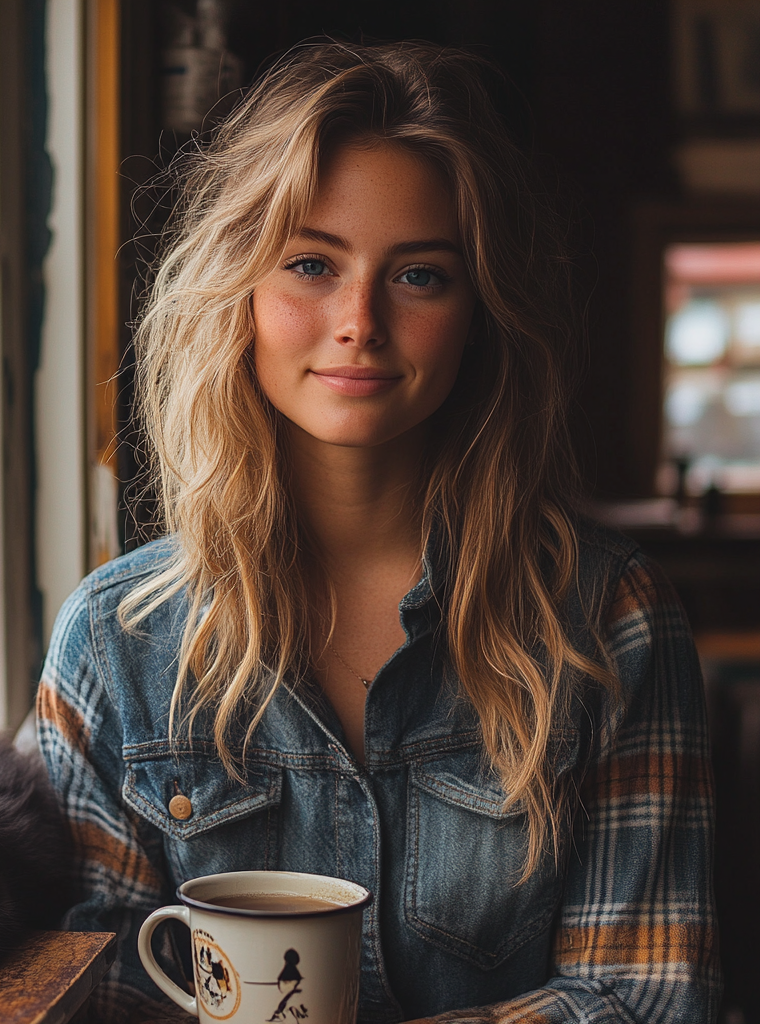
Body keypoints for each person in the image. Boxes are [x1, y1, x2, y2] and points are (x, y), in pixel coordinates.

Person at [37, 40, 719, 1023]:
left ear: (479, 313)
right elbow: (87, 988)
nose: (358, 320)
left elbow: (650, 998)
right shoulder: (115, 643)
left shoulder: (608, 620)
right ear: (238, 290)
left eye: (418, 277)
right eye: (311, 263)